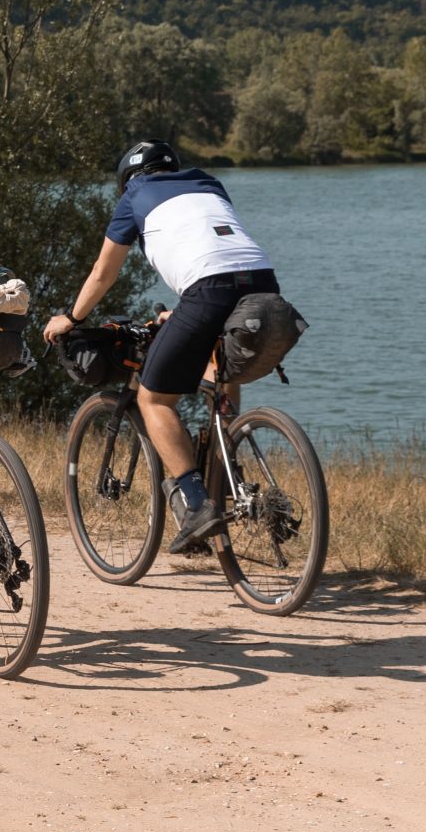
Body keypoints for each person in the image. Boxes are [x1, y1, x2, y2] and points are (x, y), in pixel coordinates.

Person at [44, 139, 280, 553]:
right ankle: (226, 468)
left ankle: (197, 504)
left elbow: (103, 272)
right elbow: (213, 247)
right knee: (218, 372)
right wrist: (184, 313)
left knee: (154, 400)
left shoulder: (134, 194)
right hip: (263, 284)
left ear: (129, 180)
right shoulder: (208, 183)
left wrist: (72, 317)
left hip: (207, 291)